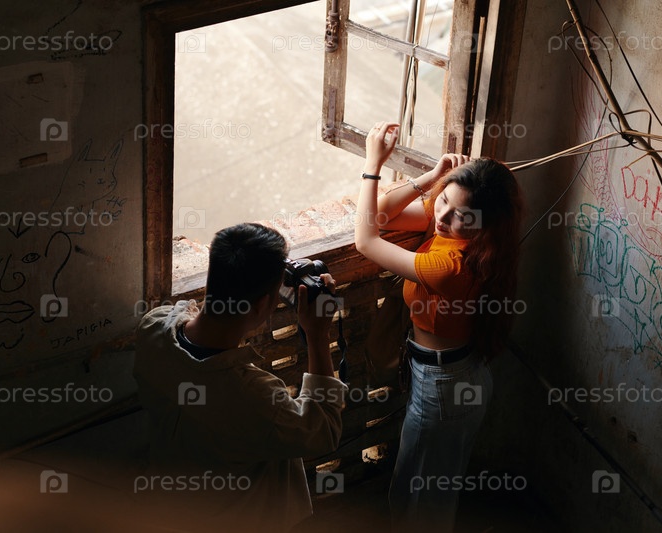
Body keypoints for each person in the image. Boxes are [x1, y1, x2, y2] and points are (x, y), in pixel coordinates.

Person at [355, 122, 523, 531]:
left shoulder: (452, 266)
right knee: (420, 494)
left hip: (445, 387)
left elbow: (366, 239)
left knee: (421, 505)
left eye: (460, 215)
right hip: (449, 374)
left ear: (484, 225)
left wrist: (373, 164)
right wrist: (432, 178)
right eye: (443, 201)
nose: (443, 218)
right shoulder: (468, 233)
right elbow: (383, 214)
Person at [133, 222, 347, 532]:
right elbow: (324, 430)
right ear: (262, 306)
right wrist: (317, 334)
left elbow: (187, 318)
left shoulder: (152, 328)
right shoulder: (254, 397)